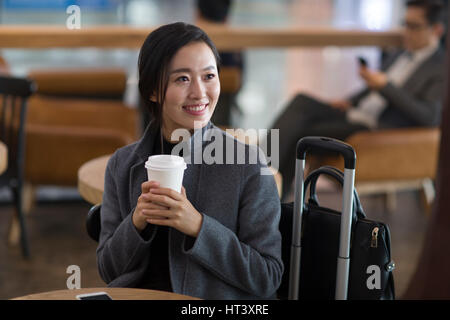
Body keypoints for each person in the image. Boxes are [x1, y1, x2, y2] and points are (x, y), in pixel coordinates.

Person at [96, 22, 283, 300]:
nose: (199, 93)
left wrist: (197, 226)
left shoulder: (248, 164)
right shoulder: (123, 164)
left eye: (209, 76)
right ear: (152, 91)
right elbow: (109, 270)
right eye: (182, 79)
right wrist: (136, 222)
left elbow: (267, 277)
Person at [270, 0, 446, 201]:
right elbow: (373, 89)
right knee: (301, 102)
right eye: (404, 24)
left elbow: (429, 117)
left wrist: (385, 86)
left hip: (374, 128)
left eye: (413, 26)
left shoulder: (439, 67)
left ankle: (267, 189)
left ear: (437, 30)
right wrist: (350, 101)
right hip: (355, 113)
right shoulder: (401, 54)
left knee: (299, 133)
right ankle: (265, 180)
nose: (406, 31)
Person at [196, 0, 244, 126]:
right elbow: (239, 85)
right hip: (224, 122)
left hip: (187, 125)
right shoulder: (235, 48)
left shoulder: (187, 43)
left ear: (198, 13)